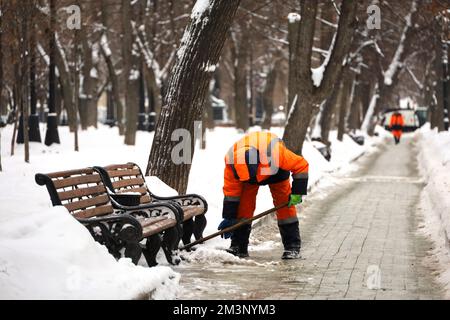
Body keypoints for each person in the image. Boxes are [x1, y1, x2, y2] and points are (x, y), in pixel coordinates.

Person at [218, 131, 309, 259]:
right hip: (249, 178)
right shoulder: (231, 161)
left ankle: (292, 247)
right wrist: (229, 217)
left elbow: (301, 165)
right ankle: (238, 246)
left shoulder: (275, 152)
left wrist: (297, 192)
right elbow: (231, 192)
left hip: (276, 172)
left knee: (285, 209)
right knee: (244, 207)